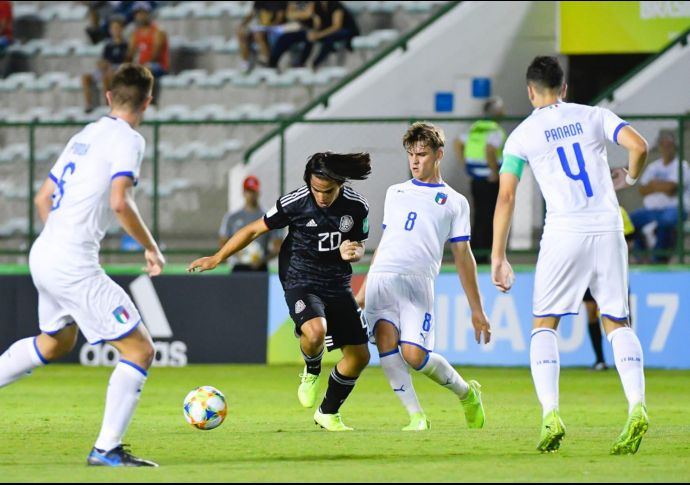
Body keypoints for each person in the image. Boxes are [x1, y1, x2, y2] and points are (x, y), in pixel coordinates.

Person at [0, 64, 165, 467]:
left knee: (56, 341)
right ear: (148, 101)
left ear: (108, 97)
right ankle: (106, 449)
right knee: (140, 349)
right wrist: (151, 247)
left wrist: (63, 241)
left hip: (45, 252)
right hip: (70, 262)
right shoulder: (128, 140)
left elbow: (42, 198)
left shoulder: (84, 136)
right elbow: (120, 201)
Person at [491, 56, 649, 455]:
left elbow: (506, 195)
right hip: (609, 226)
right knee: (618, 320)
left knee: (544, 324)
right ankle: (637, 407)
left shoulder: (522, 135)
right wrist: (629, 177)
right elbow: (639, 146)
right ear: (564, 89)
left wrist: (498, 255)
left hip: (564, 232)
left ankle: (551, 414)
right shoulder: (594, 115)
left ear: (530, 92)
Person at [189, 152, 372, 431]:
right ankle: (312, 370)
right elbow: (253, 230)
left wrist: (354, 251)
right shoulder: (295, 201)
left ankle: (328, 412)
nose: (322, 197)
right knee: (315, 331)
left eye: (329, 191)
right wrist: (218, 258)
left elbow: (357, 244)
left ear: (341, 184)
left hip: (337, 282)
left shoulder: (357, 206)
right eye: (316, 190)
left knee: (360, 357)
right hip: (301, 278)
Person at [355, 122, 491, 432]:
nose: (415, 161)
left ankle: (467, 394)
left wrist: (477, 309)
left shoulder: (455, 202)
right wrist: (363, 290)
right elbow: (386, 242)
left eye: (422, 154)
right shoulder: (395, 192)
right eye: (411, 154)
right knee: (386, 347)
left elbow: (463, 256)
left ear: (439, 155)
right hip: (382, 281)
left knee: (415, 355)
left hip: (418, 284)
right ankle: (416, 416)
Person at [454, 96, 505, 263]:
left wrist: (465, 165)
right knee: (490, 215)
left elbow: (457, 143)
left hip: (476, 178)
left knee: (478, 215)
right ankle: (486, 253)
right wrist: (493, 171)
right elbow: (490, 149)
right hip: (489, 180)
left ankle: (476, 252)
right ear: (497, 112)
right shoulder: (495, 130)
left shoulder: (475, 128)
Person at [583, 207, 635, 371]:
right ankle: (600, 359)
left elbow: (631, 239)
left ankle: (627, 359)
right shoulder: (581, 211)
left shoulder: (618, 211)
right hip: (589, 269)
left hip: (613, 269)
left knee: (622, 314)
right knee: (591, 312)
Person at [627, 130, 690, 263]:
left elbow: (671, 189)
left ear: (675, 147)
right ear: (659, 147)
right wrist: (661, 186)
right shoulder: (653, 167)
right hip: (652, 211)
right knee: (630, 221)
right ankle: (641, 256)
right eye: (663, 145)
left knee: (665, 222)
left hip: (675, 209)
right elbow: (642, 190)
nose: (666, 149)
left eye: (669, 145)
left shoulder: (681, 166)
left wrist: (653, 185)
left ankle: (658, 258)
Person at [218, 175, 283, 272]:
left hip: (260, 267)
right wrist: (239, 254)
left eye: (253, 191)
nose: (251, 195)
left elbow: (277, 247)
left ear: (258, 192)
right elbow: (223, 242)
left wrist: (261, 260)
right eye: (248, 191)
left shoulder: (269, 216)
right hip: (239, 267)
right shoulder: (232, 217)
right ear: (243, 193)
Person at [83, 15, 128, 113]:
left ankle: (109, 104)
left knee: (107, 76)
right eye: (112, 28)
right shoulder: (108, 45)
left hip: (118, 68)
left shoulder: (125, 44)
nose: (114, 31)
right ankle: (88, 104)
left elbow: (127, 60)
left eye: (117, 28)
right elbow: (103, 59)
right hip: (107, 68)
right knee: (85, 77)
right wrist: (102, 64)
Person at [237, 1, 287, 71]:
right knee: (242, 34)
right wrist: (242, 24)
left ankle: (266, 59)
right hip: (263, 27)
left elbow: (280, 17)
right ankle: (245, 62)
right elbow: (252, 13)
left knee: (258, 34)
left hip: (278, 27)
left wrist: (270, 26)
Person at [126, 2, 168, 79]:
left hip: (158, 66)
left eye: (143, 13)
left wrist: (140, 66)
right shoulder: (135, 33)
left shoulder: (158, 31)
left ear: (148, 14)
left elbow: (156, 55)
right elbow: (130, 54)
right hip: (142, 65)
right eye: (138, 14)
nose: (140, 16)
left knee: (146, 69)